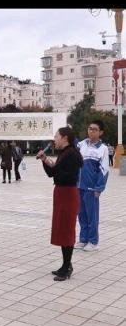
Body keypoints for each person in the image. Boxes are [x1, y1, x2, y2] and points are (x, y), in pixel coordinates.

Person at [38, 127, 83, 281]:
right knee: (63, 229)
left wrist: (54, 168)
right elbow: (52, 173)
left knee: (67, 230)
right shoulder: (64, 153)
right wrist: (45, 160)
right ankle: (65, 265)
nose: (55, 139)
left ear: (65, 138)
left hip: (68, 194)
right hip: (62, 193)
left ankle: (67, 267)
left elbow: (66, 176)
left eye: (56, 136)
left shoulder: (72, 154)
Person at [76, 120, 109, 252]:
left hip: (91, 188)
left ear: (101, 132)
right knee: (81, 215)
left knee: (92, 216)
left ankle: (93, 242)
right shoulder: (81, 144)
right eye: (90, 128)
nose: (91, 131)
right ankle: (83, 239)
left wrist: (99, 188)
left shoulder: (103, 149)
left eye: (95, 129)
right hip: (79, 187)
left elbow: (104, 170)